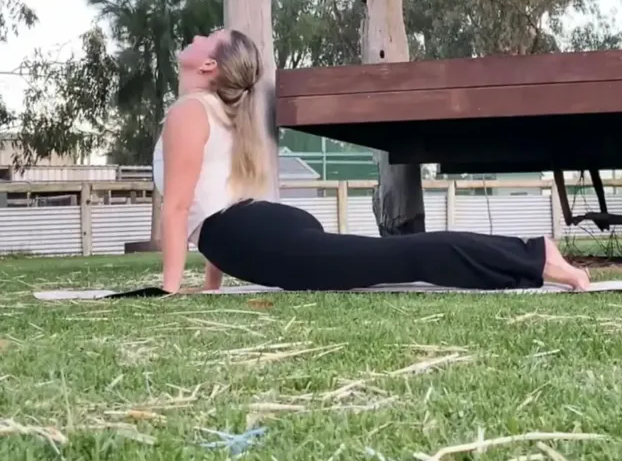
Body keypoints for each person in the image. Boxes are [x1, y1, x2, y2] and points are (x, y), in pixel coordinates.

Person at [153, 29, 591, 295]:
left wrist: (169, 289)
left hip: (253, 236)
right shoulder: (212, 113)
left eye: (206, 38)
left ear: (208, 63)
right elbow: (218, 207)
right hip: (255, 231)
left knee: (403, 257)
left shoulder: (190, 111)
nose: (196, 37)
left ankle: (534, 256)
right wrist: (211, 284)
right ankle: (531, 256)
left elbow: (179, 208)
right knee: (395, 258)